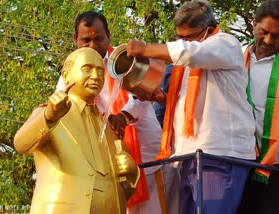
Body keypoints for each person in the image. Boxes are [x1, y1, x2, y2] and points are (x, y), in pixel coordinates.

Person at [126, 1, 256, 214]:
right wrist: (163, 99)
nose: (184, 42)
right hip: (188, 157)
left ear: (208, 30)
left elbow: (191, 53)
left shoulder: (225, 44)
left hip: (218, 155)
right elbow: (193, 101)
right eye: (180, 37)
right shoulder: (187, 61)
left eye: (190, 37)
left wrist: (146, 49)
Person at [55, 11, 181, 214]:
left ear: (109, 36)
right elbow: (63, 106)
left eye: (98, 39)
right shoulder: (71, 72)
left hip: (147, 158)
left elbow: (143, 97)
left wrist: (122, 117)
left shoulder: (125, 61)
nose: (93, 46)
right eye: (86, 40)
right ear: (75, 40)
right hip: (108, 164)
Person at [14, 47, 140, 214]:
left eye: (100, 71)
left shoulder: (108, 127)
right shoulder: (50, 115)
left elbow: (124, 189)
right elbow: (21, 144)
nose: (95, 77)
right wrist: (49, 116)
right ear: (66, 75)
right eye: (87, 69)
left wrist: (132, 173)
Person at [236, 1, 279, 214]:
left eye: (277, 36)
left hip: (275, 166)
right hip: (238, 161)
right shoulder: (234, 57)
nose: (269, 40)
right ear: (254, 24)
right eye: (264, 32)